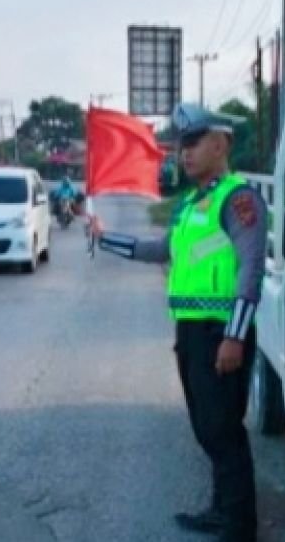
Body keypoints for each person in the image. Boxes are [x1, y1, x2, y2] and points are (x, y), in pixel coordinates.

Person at [89, 104, 266, 542]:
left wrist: (235, 335)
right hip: (190, 332)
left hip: (220, 333)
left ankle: (240, 527)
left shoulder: (238, 198)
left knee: (222, 433)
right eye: (181, 144)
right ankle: (220, 509)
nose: (183, 153)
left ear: (221, 144)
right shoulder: (191, 204)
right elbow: (159, 250)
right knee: (206, 430)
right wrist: (103, 237)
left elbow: (251, 270)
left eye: (194, 142)